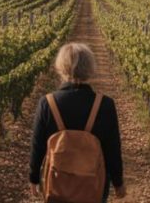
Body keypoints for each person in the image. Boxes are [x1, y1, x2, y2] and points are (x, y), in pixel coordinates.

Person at [29, 42, 126, 202]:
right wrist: (118, 182)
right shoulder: (105, 104)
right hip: (93, 186)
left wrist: (33, 178)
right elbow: (112, 148)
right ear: (90, 68)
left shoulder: (47, 103)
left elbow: (37, 145)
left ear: (61, 67)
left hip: (58, 184)